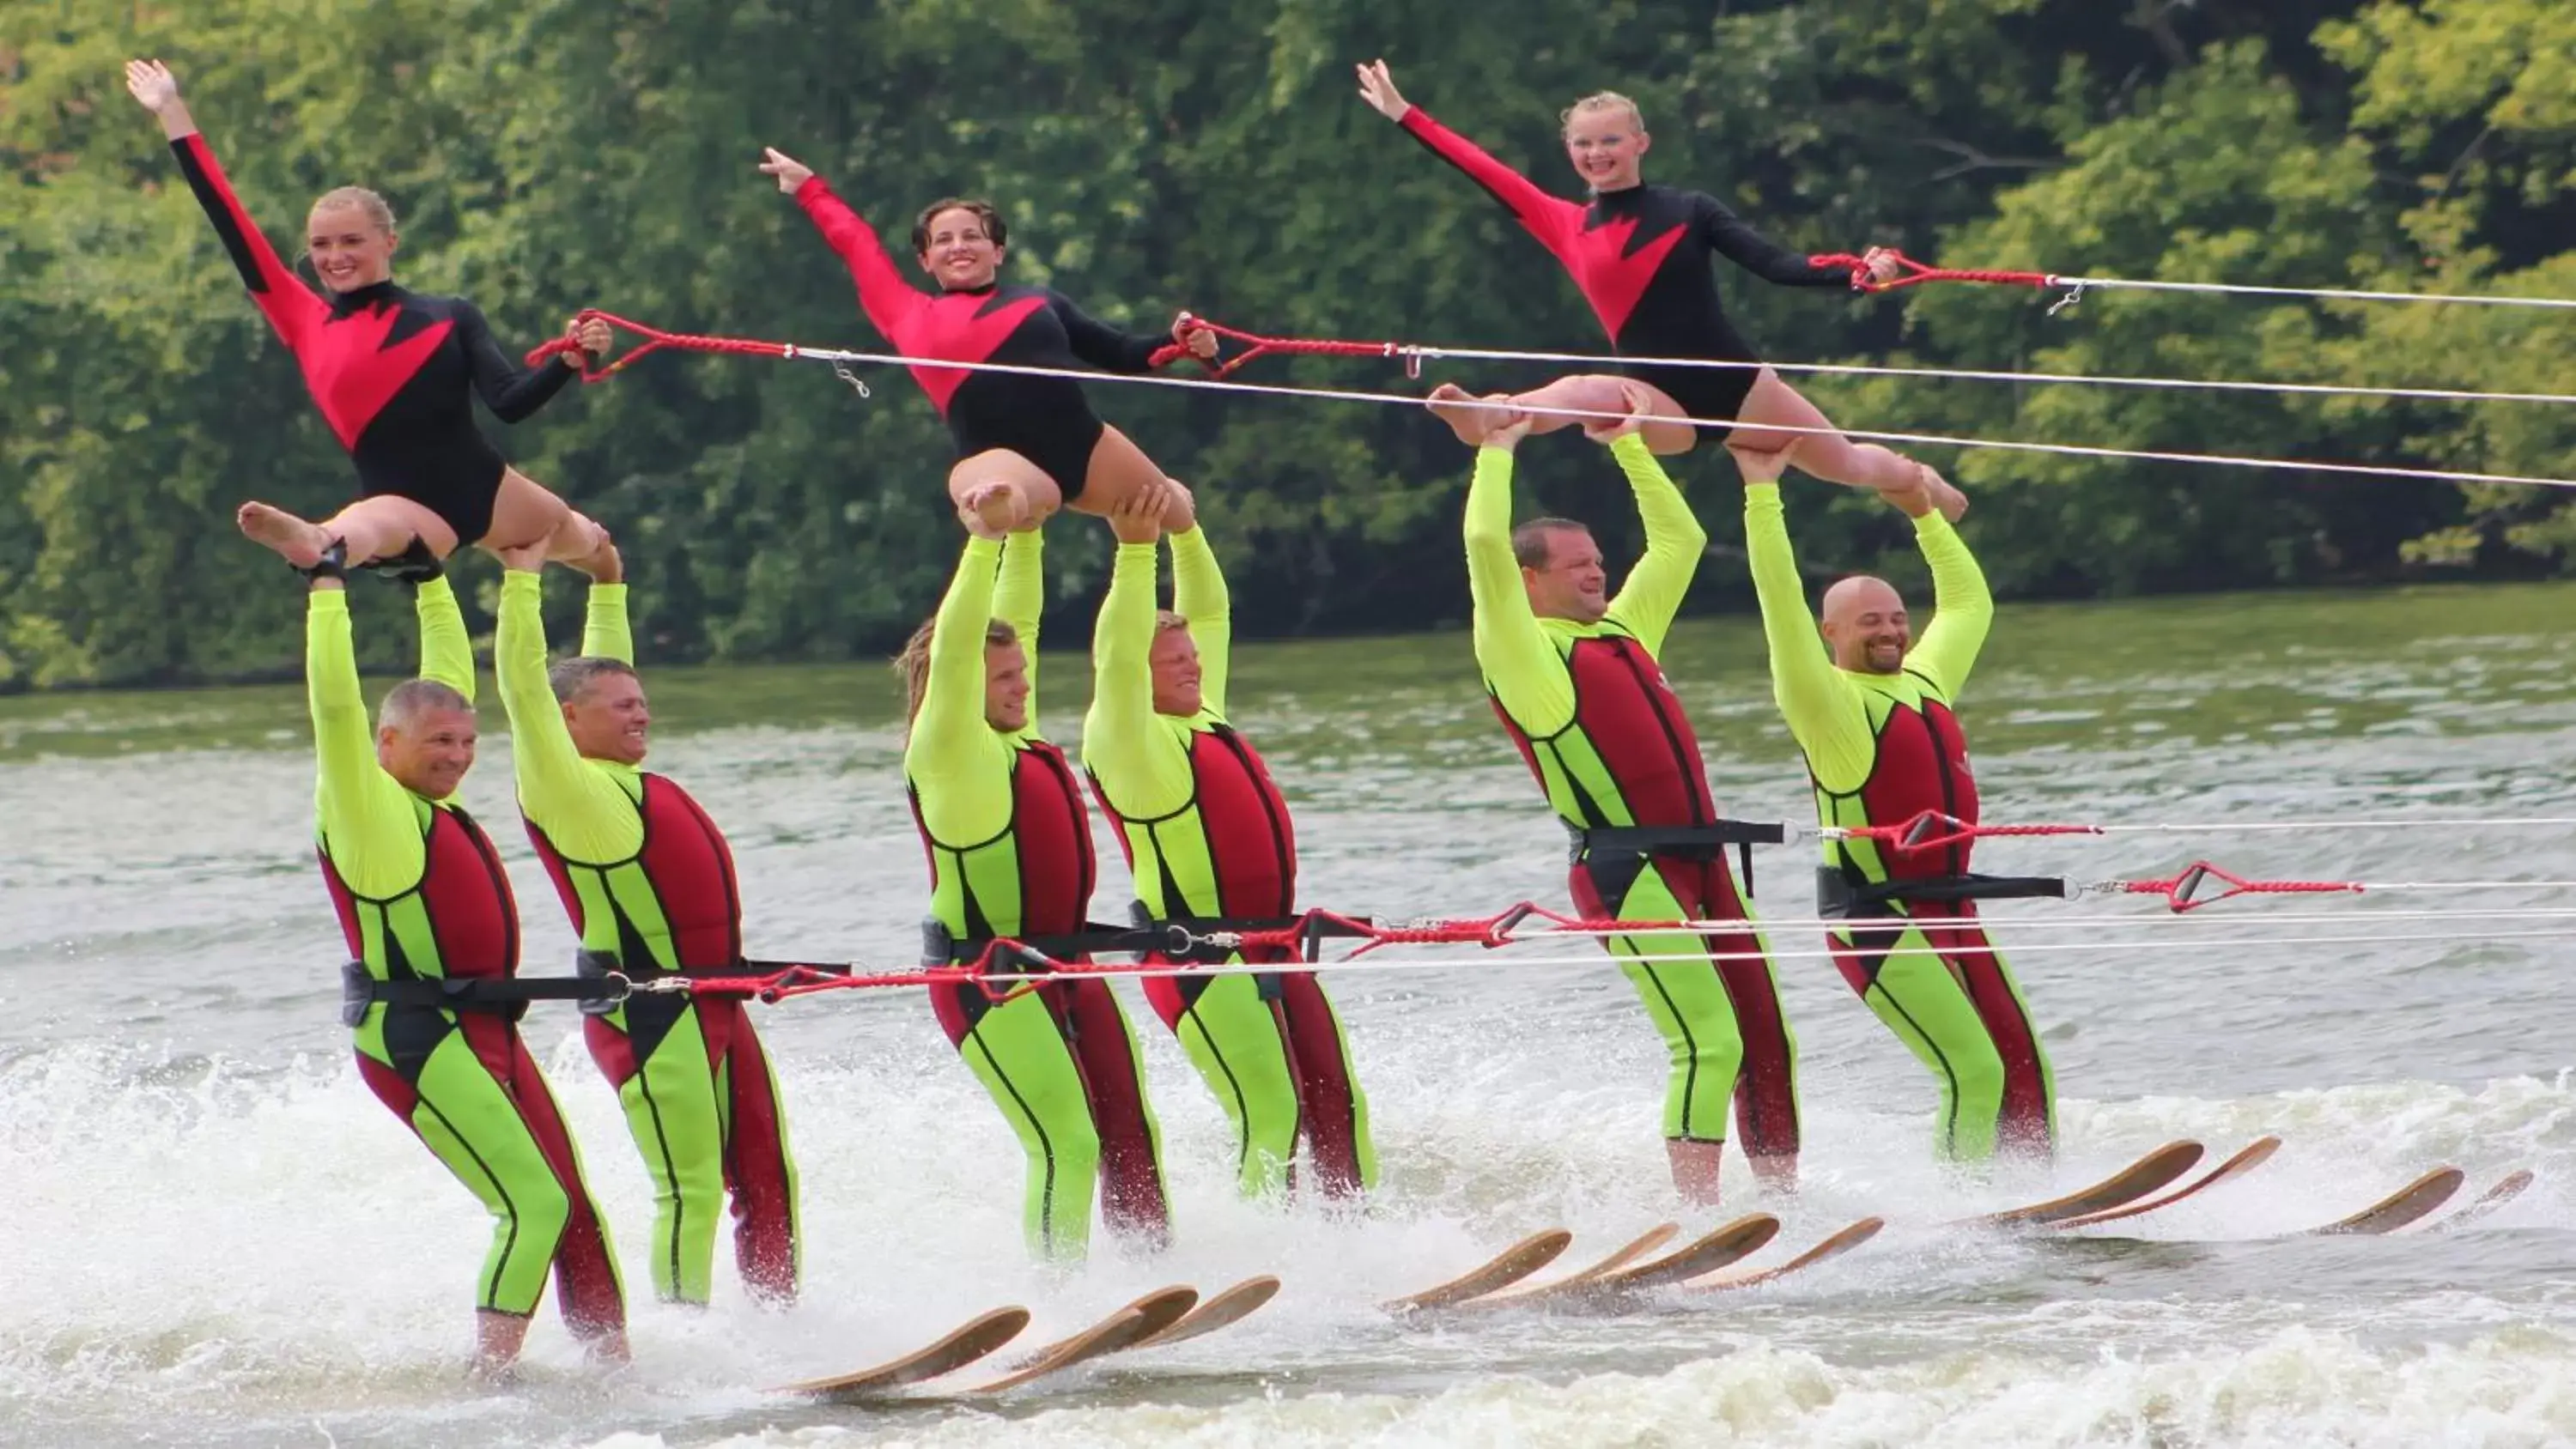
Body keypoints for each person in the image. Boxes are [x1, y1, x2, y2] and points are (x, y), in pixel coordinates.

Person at [1446, 381, 1798, 1204]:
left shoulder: (1622, 633)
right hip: (1626, 867)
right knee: (1707, 1041)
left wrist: (1630, 446)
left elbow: (1679, 541)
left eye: (1599, 559)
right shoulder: (1524, 655)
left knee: (1764, 1037)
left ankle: (1785, 1205)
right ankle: (1695, 1219)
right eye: (1576, 564)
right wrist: (1496, 451)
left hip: (1705, 862)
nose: (1598, 570)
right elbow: (1482, 549)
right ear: (1530, 582)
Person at [297, 532, 625, 1373]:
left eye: (466, 743)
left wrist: (430, 581)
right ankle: (489, 1386)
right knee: (533, 1202)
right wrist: (327, 585)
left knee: (574, 1208)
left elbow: (448, 679)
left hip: (485, 1031)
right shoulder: (364, 807)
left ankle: (617, 1377)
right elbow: (334, 706)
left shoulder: (436, 805)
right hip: (419, 1036)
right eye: (436, 742)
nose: (455, 756)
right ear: (386, 744)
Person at [1355, 60, 1960, 515]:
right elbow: (1482, 168)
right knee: (1584, 389)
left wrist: (1857, 273)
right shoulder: (1563, 223)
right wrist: (1406, 115)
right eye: (1584, 143)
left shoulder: (1691, 211)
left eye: (1610, 140)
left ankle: (1915, 480)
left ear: (1640, 143)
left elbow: (1776, 265)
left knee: (1847, 465)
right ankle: (1496, 414)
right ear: (1569, 151)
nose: (1597, 153)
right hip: (1660, 401)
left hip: (1740, 386)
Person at [126, 59, 612, 576]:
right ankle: (315, 540)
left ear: (389, 242)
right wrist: (171, 110)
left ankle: (606, 578)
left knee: (590, 544)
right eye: (321, 244)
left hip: (489, 489)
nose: (335, 256)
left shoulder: (450, 316)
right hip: (405, 506)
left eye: (351, 241)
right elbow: (225, 212)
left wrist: (571, 359)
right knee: (359, 531)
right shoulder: (301, 317)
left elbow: (510, 403)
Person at [493, 541, 801, 1307]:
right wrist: (522, 579)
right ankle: (686, 1342)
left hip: (717, 1005)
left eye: (641, 701)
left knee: (769, 1176)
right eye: (622, 705)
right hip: (654, 1017)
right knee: (689, 1190)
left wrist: (608, 582)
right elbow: (525, 695)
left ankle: (778, 1325)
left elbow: (604, 663)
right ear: (569, 720)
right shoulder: (568, 792)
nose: (643, 713)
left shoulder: (624, 780)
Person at [1736, 444, 2057, 1161]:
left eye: (1894, 617)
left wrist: (1924, 515)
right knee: (1973, 1071)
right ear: (1831, 635)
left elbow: (1971, 602)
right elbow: (1780, 606)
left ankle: (2038, 1199)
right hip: (1875, 914)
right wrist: (1762, 493)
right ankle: (1963, 1217)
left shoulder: (1926, 680)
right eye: (1867, 622)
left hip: (1951, 903)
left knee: (2025, 1065)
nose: (1888, 631)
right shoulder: (1828, 704)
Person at [1081, 485, 1376, 1201]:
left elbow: (1211, 608)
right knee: (1271, 1113)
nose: (1192, 664)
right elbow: (1118, 657)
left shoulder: (1204, 716)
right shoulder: (1130, 742)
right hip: (1198, 958)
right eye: (1172, 659)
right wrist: (1135, 547)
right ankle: (1266, 1263)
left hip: (1273, 943)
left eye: (1190, 654)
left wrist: (1185, 526)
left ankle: (1359, 1252)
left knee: (1339, 1106)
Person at [896, 522, 1171, 1258]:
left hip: (1065, 968)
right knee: (1068, 1144)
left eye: (1022, 673)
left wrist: (1028, 533)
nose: (1025, 685)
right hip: (988, 979)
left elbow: (1022, 614)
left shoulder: (1018, 739)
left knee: (1129, 1130)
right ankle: (1059, 1304)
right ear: (961, 688)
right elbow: (958, 646)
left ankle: (1151, 1280)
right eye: (1007, 678)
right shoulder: (950, 748)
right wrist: (983, 540)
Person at [757, 147, 1211, 536]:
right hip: (994, 457)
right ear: (925, 259)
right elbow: (856, 243)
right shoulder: (905, 311)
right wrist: (808, 188)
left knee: (1179, 518)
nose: (959, 246)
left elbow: (1121, 352)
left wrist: (1181, 343)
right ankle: (997, 506)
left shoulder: (1040, 301)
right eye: (944, 240)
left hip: (1087, 447)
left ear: (997, 251)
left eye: (972, 236)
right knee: (1003, 503)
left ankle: (1172, 491)